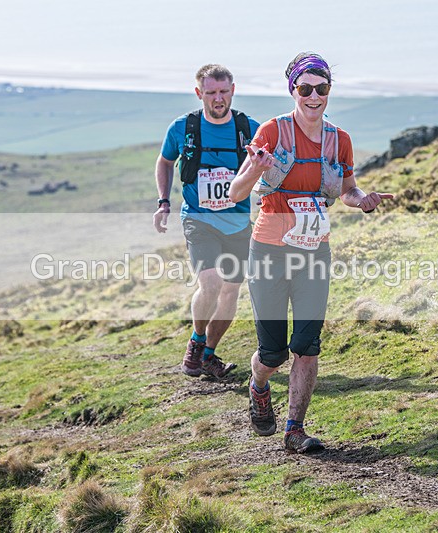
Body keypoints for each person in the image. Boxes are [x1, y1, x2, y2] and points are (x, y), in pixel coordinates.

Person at [229, 52, 394, 453]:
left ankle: (294, 429)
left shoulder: (340, 140)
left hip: (314, 251)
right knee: (272, 353)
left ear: (329, 91)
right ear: (293, 90)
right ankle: (259, 384)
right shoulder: (273, 131)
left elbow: (348, 189)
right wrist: (255, 167)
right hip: (269, 250)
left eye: (322, 89)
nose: (314, 96)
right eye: (306, 89)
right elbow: (237, 192)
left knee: (306, 345)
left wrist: (362, 200)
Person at [153, 64, 260, 379]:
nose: (218, 99)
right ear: (199, 93)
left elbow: (270, 168)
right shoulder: (183, 128)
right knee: (211, 284)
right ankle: (197, 342)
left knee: (230, 292)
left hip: (238, 222)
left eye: (224, 92)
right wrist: (163, 202)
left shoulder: (249, 128)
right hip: (199, 219)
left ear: (233, 90)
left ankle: (209, 355)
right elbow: (165, 161)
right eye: (211, 93)